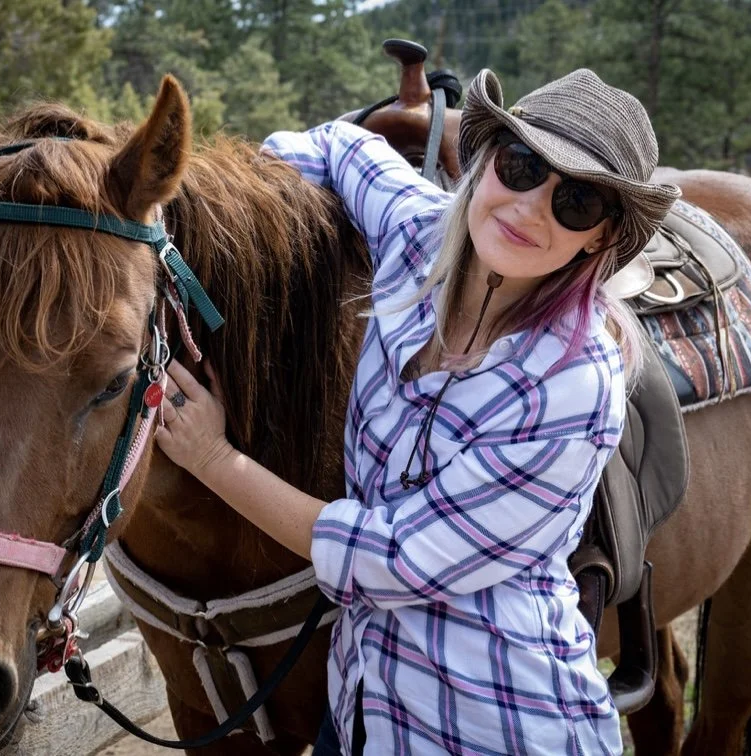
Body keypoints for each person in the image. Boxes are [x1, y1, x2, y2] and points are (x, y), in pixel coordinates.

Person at [154, 68, 680, 755]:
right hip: (362, 705)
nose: (530, 207)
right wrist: (234, 202)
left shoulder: (572, 381)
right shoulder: (414, 237)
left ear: (599, 238)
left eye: (576, 201)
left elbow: (396, 560)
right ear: (485, 162)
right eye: (522, 167)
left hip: (498, 722)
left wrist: (215, 460)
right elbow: (341, 147)